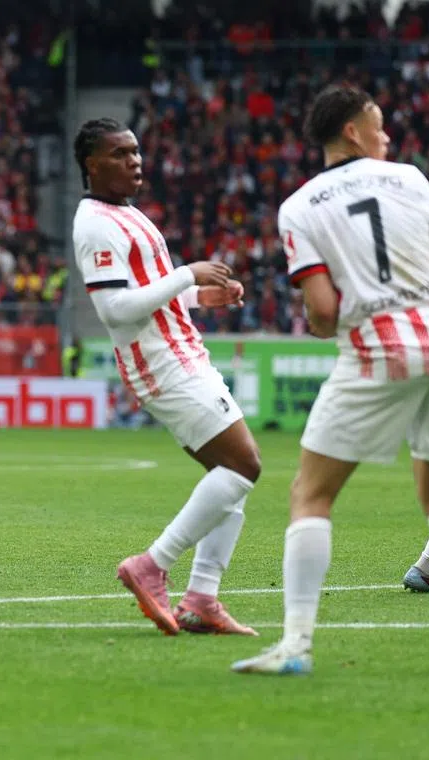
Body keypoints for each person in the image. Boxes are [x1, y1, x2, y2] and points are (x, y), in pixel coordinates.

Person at [233, 85, 429, 675]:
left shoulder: (299, 206)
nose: (387, 136)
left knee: (311, 493)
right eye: (379, 125)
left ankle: (294, 645)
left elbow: (321, 309)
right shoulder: (414, 180)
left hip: (380, 349)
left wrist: (328, 325)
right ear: (353, 131)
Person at [73, 117, 262, 636]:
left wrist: (202, 296)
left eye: (136, 152)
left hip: (181, 353)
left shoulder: (130, 215)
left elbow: (152, 294)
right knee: (244, 465)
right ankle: (152, 565)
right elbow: (114, 309)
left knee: (231, 482)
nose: (134, 161)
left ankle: (202, 599)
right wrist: (187, 273)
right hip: (161, 365)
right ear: (92, 164)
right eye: (120, 154)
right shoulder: (94, 224)